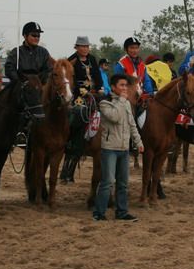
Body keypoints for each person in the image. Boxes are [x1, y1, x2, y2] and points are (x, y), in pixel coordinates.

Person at [92, 74, 143, 222]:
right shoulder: (105, 103)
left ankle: (121, 212)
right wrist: (122, 100)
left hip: (124, 149)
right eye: (121, 85)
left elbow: (132, 124)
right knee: (107, 182)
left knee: (123, 183)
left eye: (126, 85)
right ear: (113, 87)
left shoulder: (126, 103)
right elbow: (115, 117)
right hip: (110, 149)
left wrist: (138, 142)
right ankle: (99, 213)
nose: (125, 88)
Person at [61, 36, 104, 183]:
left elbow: (97, 76)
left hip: (94, 94)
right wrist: (81, 92)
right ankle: (72, 142)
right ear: (76, 47)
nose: (85, 49)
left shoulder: (92, 59)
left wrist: (99, 88)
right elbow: (69, 82)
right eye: (82, 46)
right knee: (79, 112)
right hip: (78, 96)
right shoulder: (71, 60)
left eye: (87, 46)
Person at [5, 22, 54, 146]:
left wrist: (39, 81)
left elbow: (49, 70)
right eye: (33, 35)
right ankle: (19, 132)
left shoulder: (44, 52)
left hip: (38, 86)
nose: (37, 38)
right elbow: (9, 68)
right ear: (25, 36)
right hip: (21, 85)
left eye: (38, 36)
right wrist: (21, 81)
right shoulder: (16, 52)